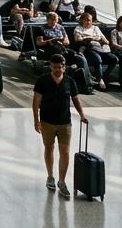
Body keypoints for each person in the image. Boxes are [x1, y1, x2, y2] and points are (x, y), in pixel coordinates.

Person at [33, 54, 88, 199]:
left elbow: (75, 99)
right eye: (55, 67)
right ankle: (50, 176)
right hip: (47, 122)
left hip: (65, 123)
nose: (58, 70)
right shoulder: (42, 81)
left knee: (65, 152)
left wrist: (82, 114)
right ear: (50, 66)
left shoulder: (70, 81)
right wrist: (36, 120)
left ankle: (62, 181)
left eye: (60, 67)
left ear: (64, 67)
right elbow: (36, 101)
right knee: (49, 148)